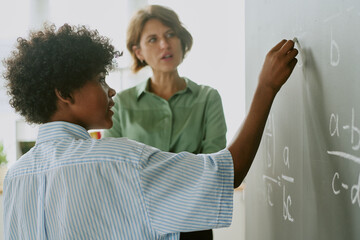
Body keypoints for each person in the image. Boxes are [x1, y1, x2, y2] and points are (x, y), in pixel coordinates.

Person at [2, 23, 298, 240]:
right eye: (100, 79)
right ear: (64, 93)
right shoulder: (123, 160)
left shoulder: (16, 176)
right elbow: (226, 172)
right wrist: (266, 88)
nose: (111, 89)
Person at [103, 6, 226, 238]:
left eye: (171, 34)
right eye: (153, 39)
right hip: (136, 224)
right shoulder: (120, 103)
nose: (164, 45)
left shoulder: (208, 98)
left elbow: (213, 167)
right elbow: (114, 170)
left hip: (193, 225)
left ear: (182, 41)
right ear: (138, 52)